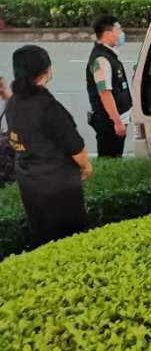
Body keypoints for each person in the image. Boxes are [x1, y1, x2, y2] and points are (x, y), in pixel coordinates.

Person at [6, 46, 92, 246]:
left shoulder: (13, 103)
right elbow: (76, 149)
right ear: (46, 70)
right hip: (59, 188)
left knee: (43, 239)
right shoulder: (48, 107)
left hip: (29, 185)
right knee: (71, 242)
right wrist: (86, 166)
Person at [86, 14, 132, 158]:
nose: (121, 34)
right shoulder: (101, 60)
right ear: (107, 33)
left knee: (115, 157)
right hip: (108, 122)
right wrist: (117, 122)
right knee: (109, 157)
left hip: (114, 119)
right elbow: (104, 92)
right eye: (118, 30)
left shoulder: (109, 55)